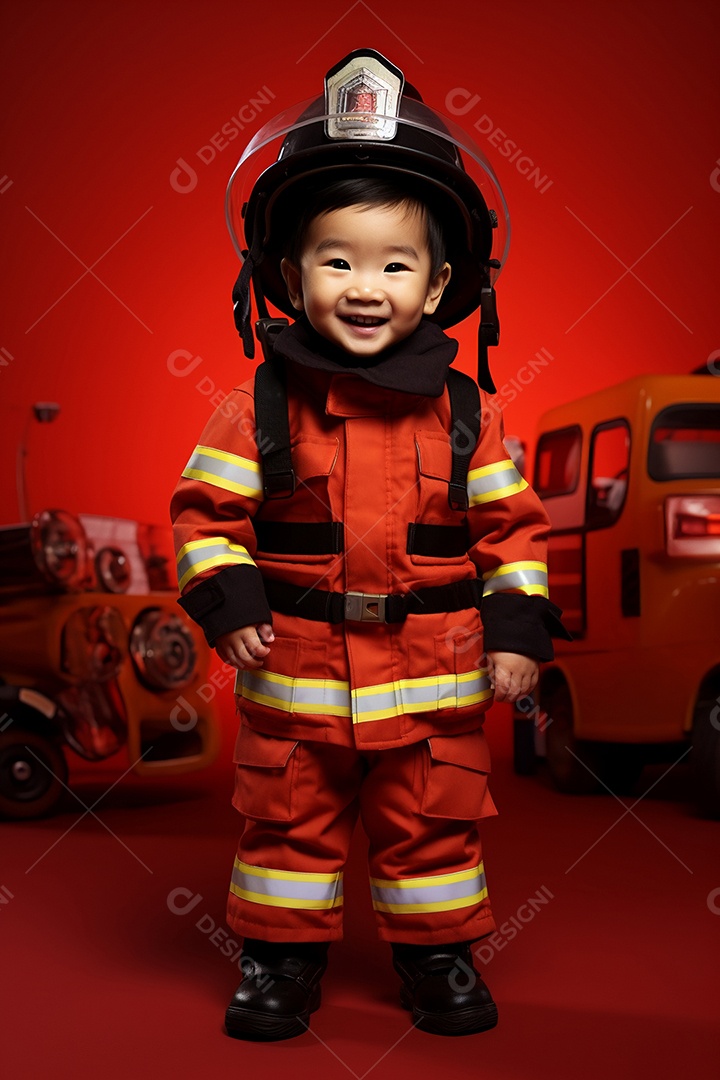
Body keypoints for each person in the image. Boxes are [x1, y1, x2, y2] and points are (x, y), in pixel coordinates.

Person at [170, 48, 568, 1041]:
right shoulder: (255, 405)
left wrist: (517, 627)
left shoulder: (468, 415)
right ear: (286, 273)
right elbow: (203, 515)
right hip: (295, 683)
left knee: (430, 827)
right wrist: (229, 602)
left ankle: (435, 958)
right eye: (336, 259)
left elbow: (512, 532)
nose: (364, 285)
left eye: (395, 265)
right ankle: (279, 962)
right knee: (287, 826)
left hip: (434, 688)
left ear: (439, 288)